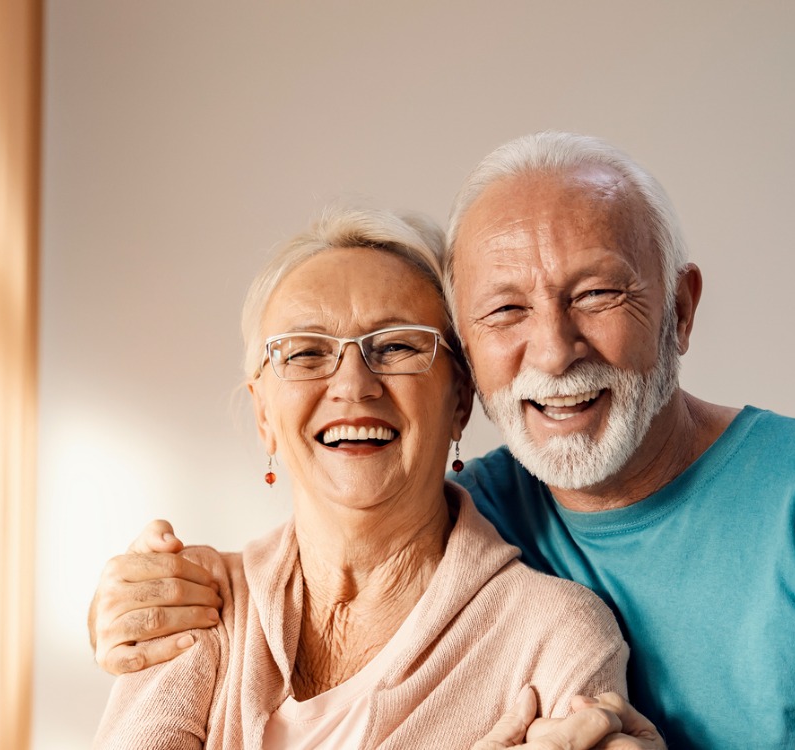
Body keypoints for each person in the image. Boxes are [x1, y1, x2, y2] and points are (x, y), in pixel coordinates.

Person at [90, 132, 795, 748]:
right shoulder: (482, 506)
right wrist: (129, 603)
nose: (554, 350)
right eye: (506, 311)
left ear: (681, 312)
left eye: (599, 293)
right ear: (474, 368)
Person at [93, 207, 650, 749]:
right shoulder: (196, 605)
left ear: (460, 400)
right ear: (264, 413)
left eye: (397, 347)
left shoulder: (555, 637)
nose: (353, 385)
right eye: (306, 353)